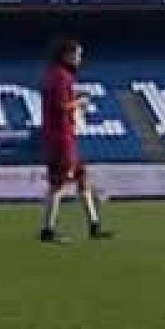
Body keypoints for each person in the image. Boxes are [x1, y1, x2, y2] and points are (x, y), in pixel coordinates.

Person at [39, 37, 113, 243]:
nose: (80, 59)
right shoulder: (61, 77)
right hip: (61, 138)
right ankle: (48, 230)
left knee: (82, 178)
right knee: (58, 184)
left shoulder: (55, 76)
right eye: (77, 54)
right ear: (67, 55)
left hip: (62, 136)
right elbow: (62, 106)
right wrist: (80, 101)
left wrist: (76, 97)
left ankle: (94, 225)